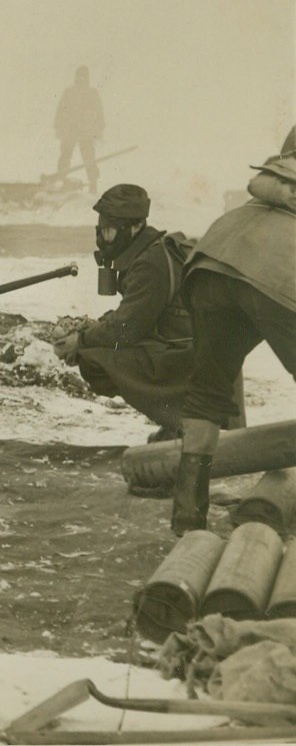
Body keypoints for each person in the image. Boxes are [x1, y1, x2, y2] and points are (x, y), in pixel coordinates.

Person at [169, 153, 296, 535]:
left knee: (208, 389)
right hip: (274, 270)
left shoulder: (281, 174)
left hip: (213, 259)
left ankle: (188, 519)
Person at [51, 185, 200, 441]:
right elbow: (135, 313)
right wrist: (94, 327)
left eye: (108, 233)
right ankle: (175, 422)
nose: (102, 240)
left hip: (185, 355)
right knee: (98, 343)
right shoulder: (151, 249)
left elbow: (126, 329)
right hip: (189, 344)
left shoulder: (149, 263)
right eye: (100, 231)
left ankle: (178, 423)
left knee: (93, 357)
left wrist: (81, 340)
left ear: (134, 227)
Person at [53, 65, 105, 194]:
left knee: (89, 158)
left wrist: (100, 126)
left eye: (83, 77)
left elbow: (99, 112)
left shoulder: (92, 93)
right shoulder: (69, 92)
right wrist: (58, 125)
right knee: (65, 156)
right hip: (70, 131)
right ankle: (62, 180)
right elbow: (60, 109)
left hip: (86, 132)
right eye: (79, 77)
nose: (81, 80)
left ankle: (93, 184)